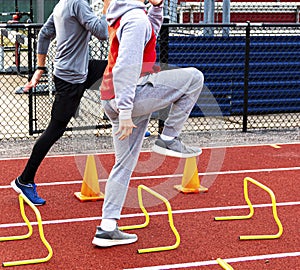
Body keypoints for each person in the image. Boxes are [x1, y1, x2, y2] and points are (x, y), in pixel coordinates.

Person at [92, 0, 204, 247]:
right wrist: (125, 112)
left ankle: (107, 228)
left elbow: (150, 33)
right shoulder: (135, 19)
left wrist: (157, 7)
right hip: (129, 96)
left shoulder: (129, 15)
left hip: (116, 97)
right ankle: (168, 138)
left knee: (123, 165)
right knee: (194, 78)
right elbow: (126, 68)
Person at [11, 0, 110, 206]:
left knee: (116, 68)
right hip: (72, 78)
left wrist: (40, 68)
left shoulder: (61, 4)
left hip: (77, 71)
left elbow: (45, 34)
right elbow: (102, 32)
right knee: (54, 130)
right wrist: (107, 6)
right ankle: (25, 180)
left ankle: (126, 113)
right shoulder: (78, 3)